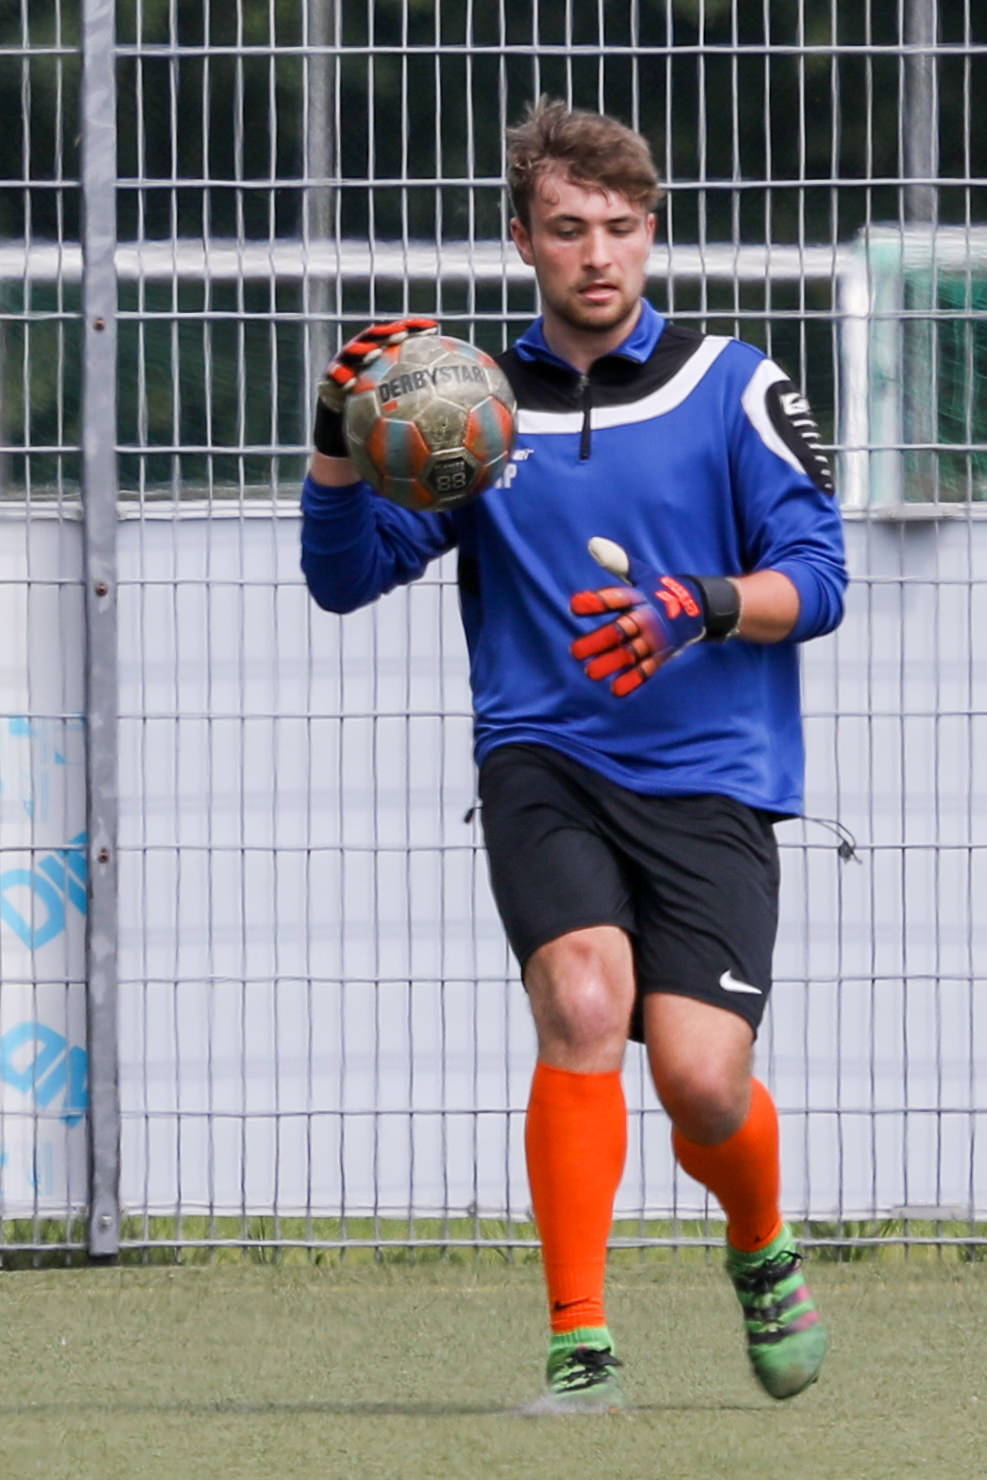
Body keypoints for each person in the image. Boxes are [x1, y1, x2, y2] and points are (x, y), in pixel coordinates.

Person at [300, 96, 847, 1415]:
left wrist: (696, 606)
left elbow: (819, 579)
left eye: (618, 226)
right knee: (585, 1004)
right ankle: (579, 1340)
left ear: (651, 230)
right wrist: (337, 446)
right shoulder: (470, 413)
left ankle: (760, 1239)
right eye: (565, 229)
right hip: (542, 759)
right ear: (522, 240)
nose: (596, 254)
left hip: (712, 776)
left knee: (701, 1081)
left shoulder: (734, 384)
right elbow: (344, 578)